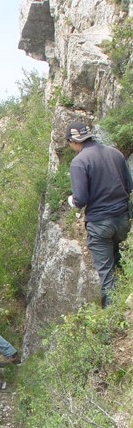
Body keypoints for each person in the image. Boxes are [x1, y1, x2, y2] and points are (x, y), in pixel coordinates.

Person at [66, 121, 132, 307]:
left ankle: (112, 317)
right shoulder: (115, 153)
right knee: (120, 263)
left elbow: (80, 200)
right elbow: (129, 186)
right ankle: (126, 301)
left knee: (106, 274)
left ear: (73, 141)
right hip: (122, 221)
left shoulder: (79, 162)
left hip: (100, 224)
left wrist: (71, 201)